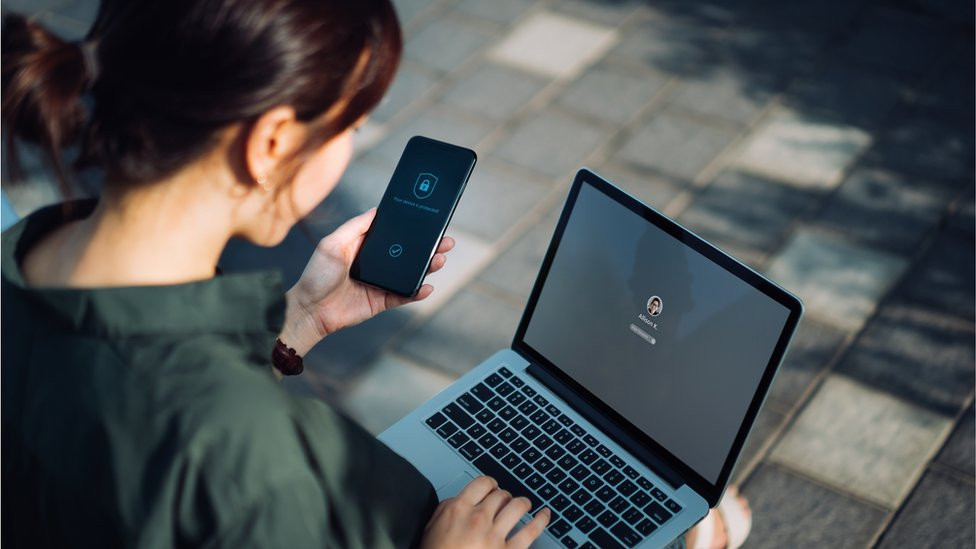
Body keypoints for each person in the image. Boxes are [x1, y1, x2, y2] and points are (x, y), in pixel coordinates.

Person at [0, 1, 750, 547]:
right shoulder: (246, 459)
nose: (353, 147)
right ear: (269, 145)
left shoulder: (26, 255)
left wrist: (300, 323)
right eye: (351, 125)